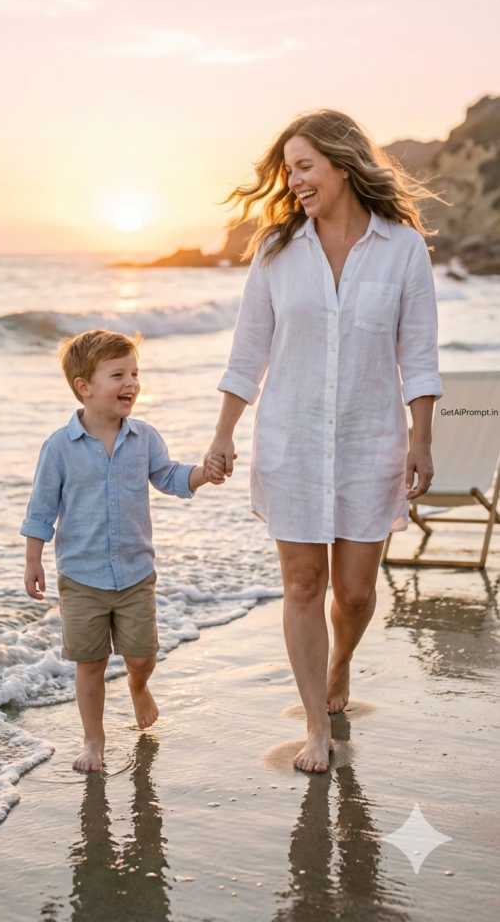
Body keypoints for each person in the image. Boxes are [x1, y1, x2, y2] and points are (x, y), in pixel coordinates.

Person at [204, 109, 443, 773]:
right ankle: (316, 725)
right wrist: (224, 431)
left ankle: (341, 661)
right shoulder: (278, 250)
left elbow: (418, 353)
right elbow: (249, 347)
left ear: (342, 163)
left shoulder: (402, 248)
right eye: (289, 169)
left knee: (357, 593)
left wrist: (421, 439)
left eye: (305, 165)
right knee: (304, 583)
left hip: (372, 442)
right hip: (292, 439)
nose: (295, 179)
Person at [21, 328, 223, 772]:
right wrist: (33, 558)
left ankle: (138, 684)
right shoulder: (58, 448)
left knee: (141, 654)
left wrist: (203, 474)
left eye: (135, 372)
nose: (131, 382)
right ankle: (94, 740)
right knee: (89, 663)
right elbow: (41, 509)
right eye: (118, 374)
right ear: (85, 387)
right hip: (81, 576)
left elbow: (169, 476)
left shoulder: (144, 437)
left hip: (134, 573)